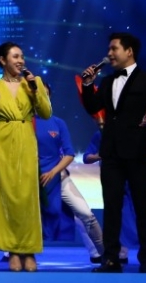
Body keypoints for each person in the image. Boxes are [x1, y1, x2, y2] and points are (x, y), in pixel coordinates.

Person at [80, 32, 146, 273]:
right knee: (112, 206)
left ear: (129, 51)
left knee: (142, 207)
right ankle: (111, 258)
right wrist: (88, 85)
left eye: (114, 48)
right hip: (111, 153)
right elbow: (93, 106)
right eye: (108, 49)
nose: (109, 54)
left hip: (139, 152)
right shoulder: (107, 81)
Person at [0, 41, 51, 272]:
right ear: (3, 60)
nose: (20, 61)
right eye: (15, 56)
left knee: (27, 196)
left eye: (22, 56)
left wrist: (35, 90)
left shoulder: (34, 82)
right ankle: (11, 250)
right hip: (1, 142)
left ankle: (29, 250)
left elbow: (46, 113)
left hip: (26, 140)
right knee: (7, 197)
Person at [34, 86, 104, 263]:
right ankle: (16, 255)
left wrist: (53, 172)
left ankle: (106, 254)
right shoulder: (24, 124)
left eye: (45, 94)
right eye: (38, 94)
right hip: (32, 183)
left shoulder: (58, 123)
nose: (42, 97)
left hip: (60, 180)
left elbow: (69, 154)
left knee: (86, 214)